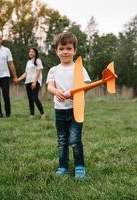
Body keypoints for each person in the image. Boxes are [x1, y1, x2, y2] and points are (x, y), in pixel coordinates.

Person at [46, 32, 91, 179]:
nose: (65, 51)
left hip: (75, 109)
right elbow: (50, 87)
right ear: (56, 51)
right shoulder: (54, 70)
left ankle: (79, 167)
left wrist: (75, 93)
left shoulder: (79, 68)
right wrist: (56, 91)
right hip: (60, 110)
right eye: (62, 48)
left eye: (69, 48)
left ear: (75, 50)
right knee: (62, 140)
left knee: (75, 140)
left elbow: (85, 86)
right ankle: (63, 166)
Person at [17, 48, 46, 120]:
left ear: (35, 53)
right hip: (28, 82)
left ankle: (42, 114)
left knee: (35, 98)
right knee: (30, 99)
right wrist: (18, 79)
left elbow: (38, 71)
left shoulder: (38, 60)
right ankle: (32, 114)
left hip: (35, 82)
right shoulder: (28, 62)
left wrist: (35, 82)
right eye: (29, 51)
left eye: (32, 52)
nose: (30, 53)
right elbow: (26, 73)